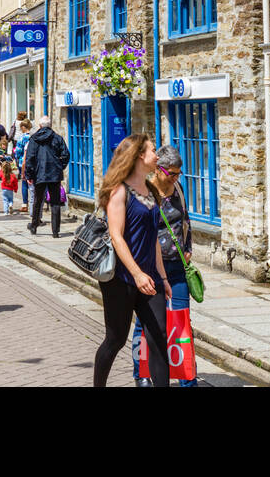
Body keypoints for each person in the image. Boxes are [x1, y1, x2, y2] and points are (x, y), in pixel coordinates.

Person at [93, 134, 170, 387]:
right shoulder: (119, 191)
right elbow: (116, 237)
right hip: (122, 279)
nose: (157, 156)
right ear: (139, 156)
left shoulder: (151, 191)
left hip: (150, 279)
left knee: (159, 337)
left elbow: (154, 239)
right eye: (152, 151)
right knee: (115, 340)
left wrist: (163, 277)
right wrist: (137, 274)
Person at [132, 146, 197, 386]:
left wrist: (188, 247)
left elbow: (185, 220)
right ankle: (142, 374)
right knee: (146, 323)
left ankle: (186, 377)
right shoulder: (144, 194)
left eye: (178, 173)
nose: (175, 177)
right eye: (171, 173)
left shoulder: (178, 189)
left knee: (181, 321)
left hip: (177, 267)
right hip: (150, 268)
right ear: (158, 170)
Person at [23, 115, 70, 237]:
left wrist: (29, 174)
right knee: (55, 202)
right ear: (50, 125)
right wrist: (60, 166)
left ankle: (34, 226)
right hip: (54, 174)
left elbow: (30, 158)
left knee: (38, 201)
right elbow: (65, 155)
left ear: (39, 126)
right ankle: (55, 231)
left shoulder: (34, 139)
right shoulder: (58, 138)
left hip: (39, 174)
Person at [13, 119, 32, 213]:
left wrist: (15, 158)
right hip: (32, 162)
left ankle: (25, 204)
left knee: (24, 183)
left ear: (23, 127)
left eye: (21, 127)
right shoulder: (32, 137)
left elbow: (18, 151)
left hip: (22, 162)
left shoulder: (22, 138)